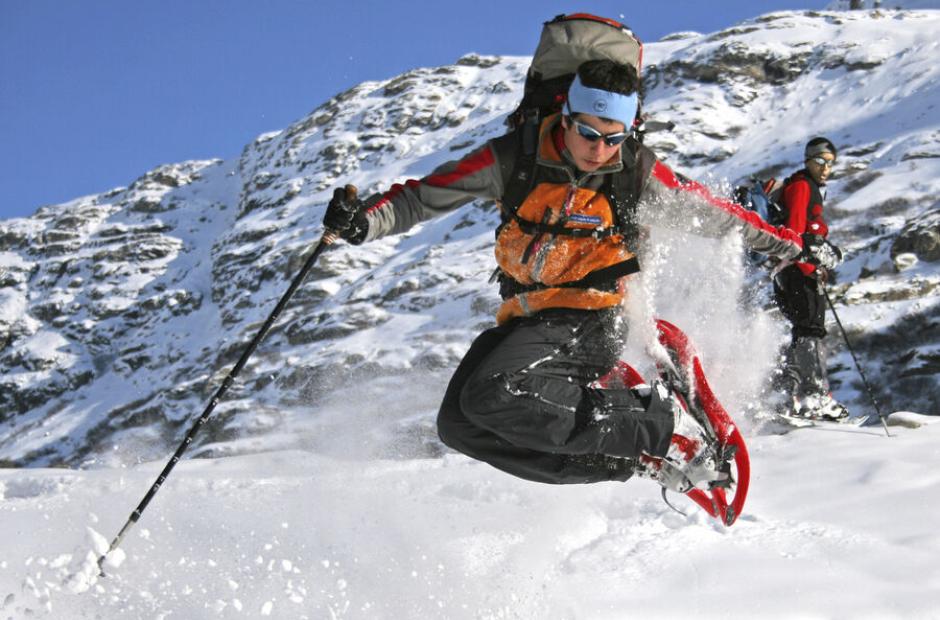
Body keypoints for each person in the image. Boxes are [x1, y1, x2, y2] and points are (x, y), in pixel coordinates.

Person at [322, 58, 807, 494]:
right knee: (460, 426)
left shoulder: (633, 175)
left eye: (614, 137)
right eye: (589, 134)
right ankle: (630, 460)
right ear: (566, 119)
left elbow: (718, 213)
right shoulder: (515, 159)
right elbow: (425, 195)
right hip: (527, 315)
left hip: (596, 315)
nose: (600, 150)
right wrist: (362, 221)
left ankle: (663, 424)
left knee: (494, 393)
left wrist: (788, 242)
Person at [772, 137, 849, 420]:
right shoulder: (803, 187)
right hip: (797, 270)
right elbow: (794, 231)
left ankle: (790, 394)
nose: (826, 167)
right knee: (808, 328)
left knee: (805, 329)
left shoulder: (809, 186)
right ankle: (812, 395)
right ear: (808, 160)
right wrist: (811, 265)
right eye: (820, 160)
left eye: (830, 162)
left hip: (796, 270)